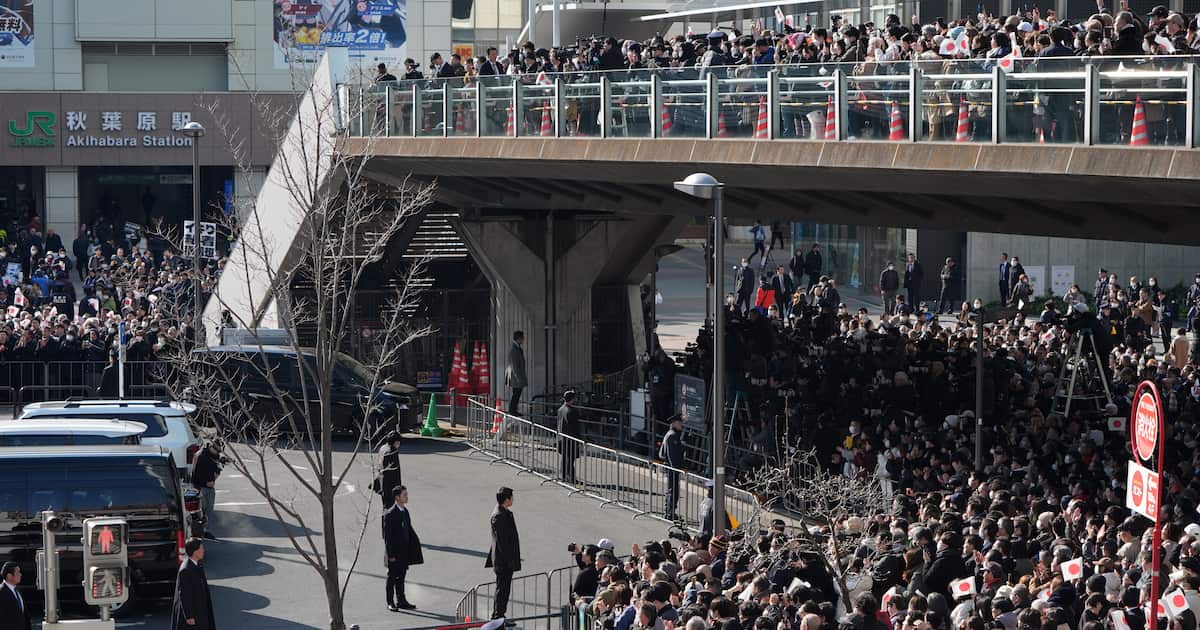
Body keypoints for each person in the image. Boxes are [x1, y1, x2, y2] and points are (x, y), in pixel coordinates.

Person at [384, 485, 423, 611]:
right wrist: (391, 555)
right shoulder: (390, 514)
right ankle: (390, 602)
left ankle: (401, 600)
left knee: (401, 577)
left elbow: (408, 530)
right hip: (394, 554)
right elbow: (388, 538)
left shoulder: (405, 512)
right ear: (397, 497)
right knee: (392, 578)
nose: (407, 497)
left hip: (404, 552)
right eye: (404, 495)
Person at [485, 486, 521, 620]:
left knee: (504, 588)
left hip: (505, 560)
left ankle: (500, 614)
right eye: (511, 497)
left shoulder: (504, 512)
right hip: (503, 562)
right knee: (502, 589)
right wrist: (509, 560)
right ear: (506, 500)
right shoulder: (499, 516)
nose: (513, 499)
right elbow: (502, 543)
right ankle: (498, 615)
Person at [171, 538, 215, 630]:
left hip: (199, 610)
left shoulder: (196, 564)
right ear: (195, 551)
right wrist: (189, 616)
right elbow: (184, 594)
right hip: (193, 615)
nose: (203, 551)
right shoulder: (186, 570)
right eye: (201, 548)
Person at [191, 441, 223, 540]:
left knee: (209, 510)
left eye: (219, 450)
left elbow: (217, 469)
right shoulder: (200, 456)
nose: (217, 452)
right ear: (211, 446)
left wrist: (214, 478)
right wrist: (204, 484)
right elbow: (194, 474)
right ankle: (196, 532)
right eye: (216, 449)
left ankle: (206, 531)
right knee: (201, 510)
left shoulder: (216, 456)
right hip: (200, 487)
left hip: (210, 487)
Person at [660, 415, 685, 520]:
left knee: (673, 490)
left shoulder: (673, 435)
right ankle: (669, 512)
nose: (681, 425)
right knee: (672, 491)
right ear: (674, 423)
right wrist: (675, 468)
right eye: (679, 423)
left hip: (673, 467)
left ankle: (670, 511)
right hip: (672, 468)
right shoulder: (672, 436)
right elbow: (671, 455)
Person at [374, 433, 403, 509]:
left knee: (385, 507)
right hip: (390, 487)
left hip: (382, 483)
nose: (399, 444)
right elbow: (394, 472)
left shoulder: (383, 448)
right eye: (398, 442)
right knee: (390, 509)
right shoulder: (392, 452)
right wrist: (398, 488)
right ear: (394, 442)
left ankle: (384, 521)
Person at [557, 390, 581, 483]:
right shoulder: (573, 411)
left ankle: (563, 476)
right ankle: (570, 477)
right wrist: (579, 439)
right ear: (572, 399)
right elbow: (576, 427)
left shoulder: (560, 409)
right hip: (571, 438)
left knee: (565, 457)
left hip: (562, 437)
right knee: (570, 459)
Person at [0, 562, 30, 630]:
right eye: (18, 572)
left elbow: (24, 616)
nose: (21, 574)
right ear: (9, 576)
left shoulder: (17, 590)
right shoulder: (1, 592)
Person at [504, 330, 527, 415]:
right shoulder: (514, 349)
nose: (523, 340)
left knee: (517, 393)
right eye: (522, 338)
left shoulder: (517, 348)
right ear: (518, 339)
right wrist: (519, 378)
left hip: (516, 375)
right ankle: (512, 410)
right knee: (516, 393)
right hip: (515, 376)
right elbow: (514, 365)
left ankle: (513, 410)